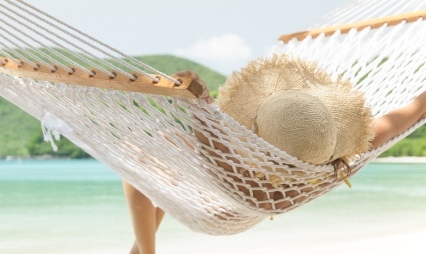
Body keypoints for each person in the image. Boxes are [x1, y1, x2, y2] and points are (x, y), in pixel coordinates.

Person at [123, 55, 426, 254]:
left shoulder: (257, 184)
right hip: (230, 186)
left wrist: (200, 98)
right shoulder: (330, 160)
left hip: (225, 203)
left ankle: (145, 251)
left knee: (137, 152)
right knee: (168, 146)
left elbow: (215, 147)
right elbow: (399, 119)